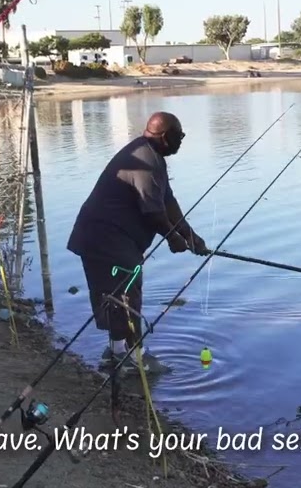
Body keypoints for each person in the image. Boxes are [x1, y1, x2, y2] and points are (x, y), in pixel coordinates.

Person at [66, 112, 210, 376]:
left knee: (119, 293)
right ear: (165, 136)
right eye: (179, 136)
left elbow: (168, 202)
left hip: (109, 238)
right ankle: (135, 357)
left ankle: (117, 353)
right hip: (105, 237)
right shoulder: (146, 161)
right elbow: (153, 212)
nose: (182, 140)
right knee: (126, 294)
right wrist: (173, 238)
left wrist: (191, 236)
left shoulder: (152, 156)